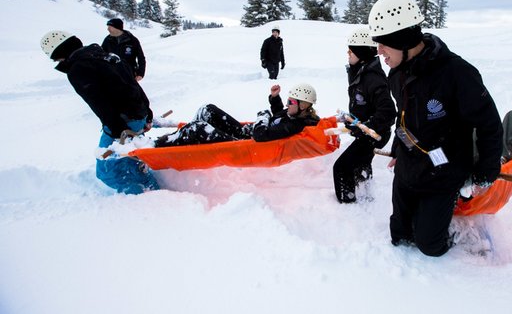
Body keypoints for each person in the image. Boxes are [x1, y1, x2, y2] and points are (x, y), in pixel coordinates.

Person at [369, 0, 503, 257]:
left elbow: (489, 125)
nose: (379, 52)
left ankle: (449, 224)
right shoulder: (397, 72)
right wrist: (399, 146)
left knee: (430, 245)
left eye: (384, 44)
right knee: (400, 235)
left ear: (403, 40)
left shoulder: (457, 73)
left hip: (444, 171)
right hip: (410, 165)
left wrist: (486, 172)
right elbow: (403, 114)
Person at [40, 30, 159, 194]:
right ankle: (152, 188)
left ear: (58, 53)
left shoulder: (78, 68)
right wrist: (147, 112)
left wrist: (119, 131)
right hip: (138, 115)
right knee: (132, 160)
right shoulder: (105, 55)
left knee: (108, 172)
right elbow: (133, 84)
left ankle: (143, 198)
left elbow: (99, 103)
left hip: (122, 123)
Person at [332, 29, 395, 203]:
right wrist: (353, 118)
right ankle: (366, 195)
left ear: (361, 53)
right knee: (360, 163)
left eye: (350, 51)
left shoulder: (373, 78)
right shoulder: (359, 71)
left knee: (342, 167)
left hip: (375, 133)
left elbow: (388, 113)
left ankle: (348, 205)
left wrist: (364, 125)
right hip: (365, 130)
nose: (347, 54)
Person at [154, 83, 319, 147]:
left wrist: (263, 116)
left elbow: (261, 135)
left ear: (303, 105)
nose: (287, 104)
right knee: (208, 109)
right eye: (288, 100)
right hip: (243, 132)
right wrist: (275, 99)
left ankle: (157, 146)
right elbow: (278, 116)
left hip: (243, 142)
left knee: (199, 128)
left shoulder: (295, 125)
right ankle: (181, 140)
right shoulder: (293, 115)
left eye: (291, 102)